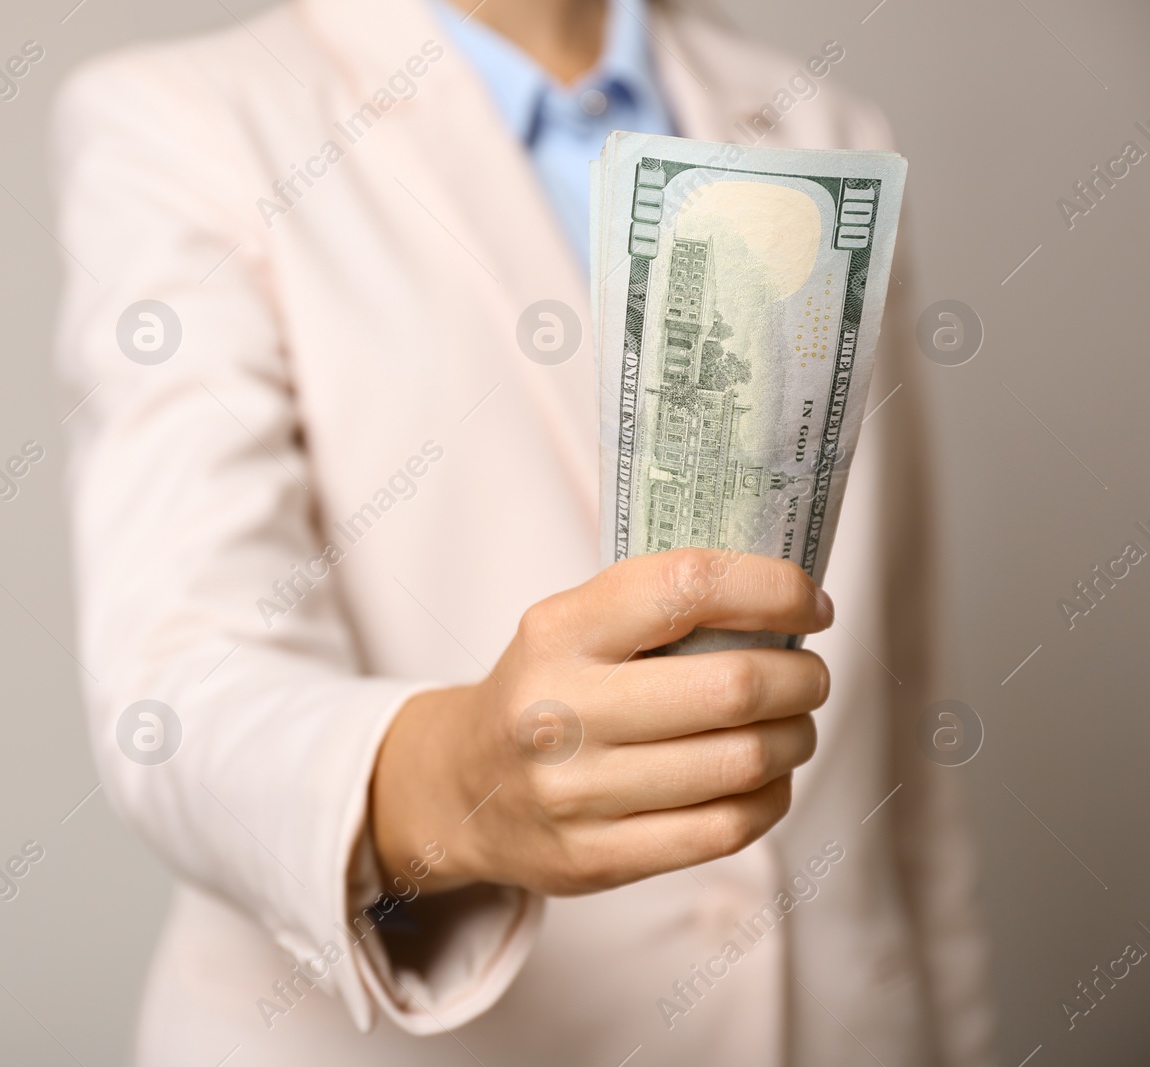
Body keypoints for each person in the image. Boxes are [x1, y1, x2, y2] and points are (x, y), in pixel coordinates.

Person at [52, 0, 995, 1062]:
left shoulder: (827, 122)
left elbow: (902, 704)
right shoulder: (185, 122)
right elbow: (178, 689)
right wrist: (459, 783)